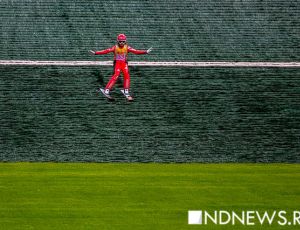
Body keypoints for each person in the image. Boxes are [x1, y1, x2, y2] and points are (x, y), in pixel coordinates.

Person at [90, 34, 152, 101]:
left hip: (124, 63)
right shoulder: (115, 47)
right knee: (116, 76)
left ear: (125, 41)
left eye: (123, 41)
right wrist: (96, 53)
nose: (121, 43)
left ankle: (126, 91)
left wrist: (145, 52)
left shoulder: (127, 47)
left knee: (127, 76)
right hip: (117, 64)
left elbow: (136, 51)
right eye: (120, 41)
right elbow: (106, 51)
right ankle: (106, 90)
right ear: (117, 41)